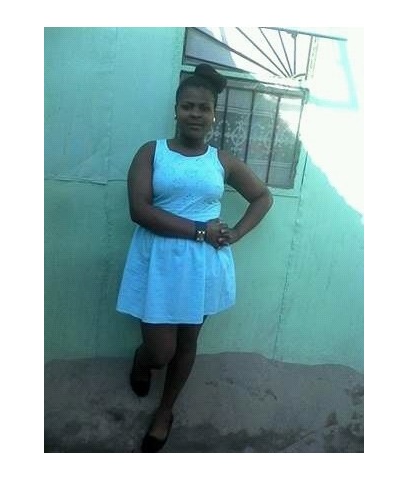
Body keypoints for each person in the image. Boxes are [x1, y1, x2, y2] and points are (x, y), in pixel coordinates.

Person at [116, 63, 273, 453]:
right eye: (188, 106)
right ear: (175, 110)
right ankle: (143, 360)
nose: (196, 114)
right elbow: (139, 210)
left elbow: (262, 197)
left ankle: (165, 411)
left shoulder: (221, 161)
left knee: (188, 342)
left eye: (204, 108)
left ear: (214, 115)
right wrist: (201, 230)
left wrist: (237, 232)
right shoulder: (151, 152)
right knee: (161, 350)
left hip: (203, 267)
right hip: (159, 262)